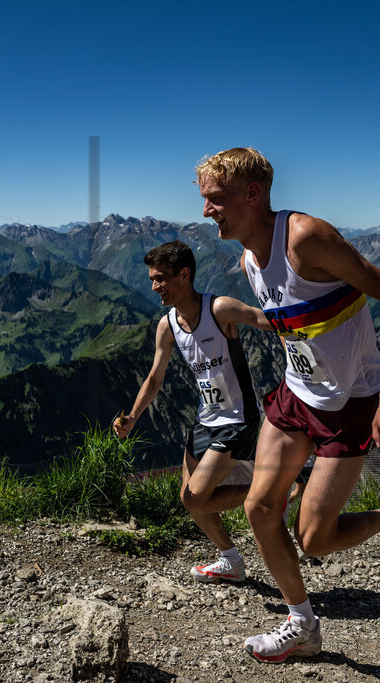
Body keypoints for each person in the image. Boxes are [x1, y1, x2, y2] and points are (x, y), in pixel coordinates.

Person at [195, 148, 380, 663]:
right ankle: (303, 625)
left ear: (252, 195)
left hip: (352, 402)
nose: (207, 210)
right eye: (205, 199)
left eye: (216, 199)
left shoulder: (304, 238)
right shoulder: (249, 257)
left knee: (315, 539)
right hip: (296, 396)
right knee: (258, 506)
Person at [114, 240, 274, 583]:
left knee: (198, 497)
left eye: (160, 279)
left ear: (184, 275)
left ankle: (273, 490)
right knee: (189, 501)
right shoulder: (167, 325)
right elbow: (155, 378)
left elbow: (267, 321)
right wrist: (132, 418)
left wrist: (318, 325)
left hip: (237, 419)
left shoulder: (220, 309)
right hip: (206, 420)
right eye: (152, 279)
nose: (154, 286)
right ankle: (231, 560)